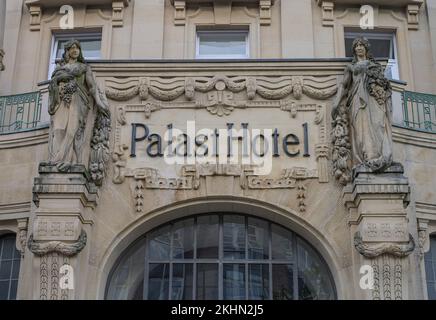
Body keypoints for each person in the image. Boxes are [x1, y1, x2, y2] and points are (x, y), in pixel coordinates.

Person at [48, 39, 110, 175]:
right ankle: (57, 158)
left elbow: (92, 87)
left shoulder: (84, 68)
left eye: (78, 48)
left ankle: (69, 160)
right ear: (68, 51)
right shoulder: (60, 70)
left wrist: (99, 102)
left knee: (73, 130)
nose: (75, 50)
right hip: (62, 101)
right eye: (72, 48)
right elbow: (53, 84)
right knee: (59, 129)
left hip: (79, 101)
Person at [332, 37, 393, 175]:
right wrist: (336, 102)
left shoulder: (375, 66)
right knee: (361, 129)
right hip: (357, 101)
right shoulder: (351, 68)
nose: (359, 48)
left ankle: (377, 155)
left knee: (377, 125)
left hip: (373, 100)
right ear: (354, 50)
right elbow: (343, 85)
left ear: (366, 48)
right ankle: (367, 156)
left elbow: (383, 86)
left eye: (361, 45)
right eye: (356, 46)